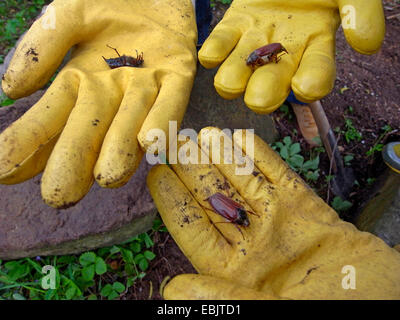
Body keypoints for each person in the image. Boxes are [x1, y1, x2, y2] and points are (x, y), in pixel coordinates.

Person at [1, 0, 398, 299]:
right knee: (203, 30)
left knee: (285, 62)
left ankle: (293, 98)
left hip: (274, 33)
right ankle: (194, 44)